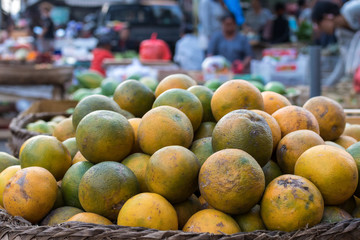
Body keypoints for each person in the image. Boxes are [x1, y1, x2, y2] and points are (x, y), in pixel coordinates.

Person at [312, 0, 360, 85]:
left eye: (319, 24)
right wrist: (329, 85)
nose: (320, 29)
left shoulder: (351, 9)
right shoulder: (342, 34)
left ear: (326, 17)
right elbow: (344, 62)